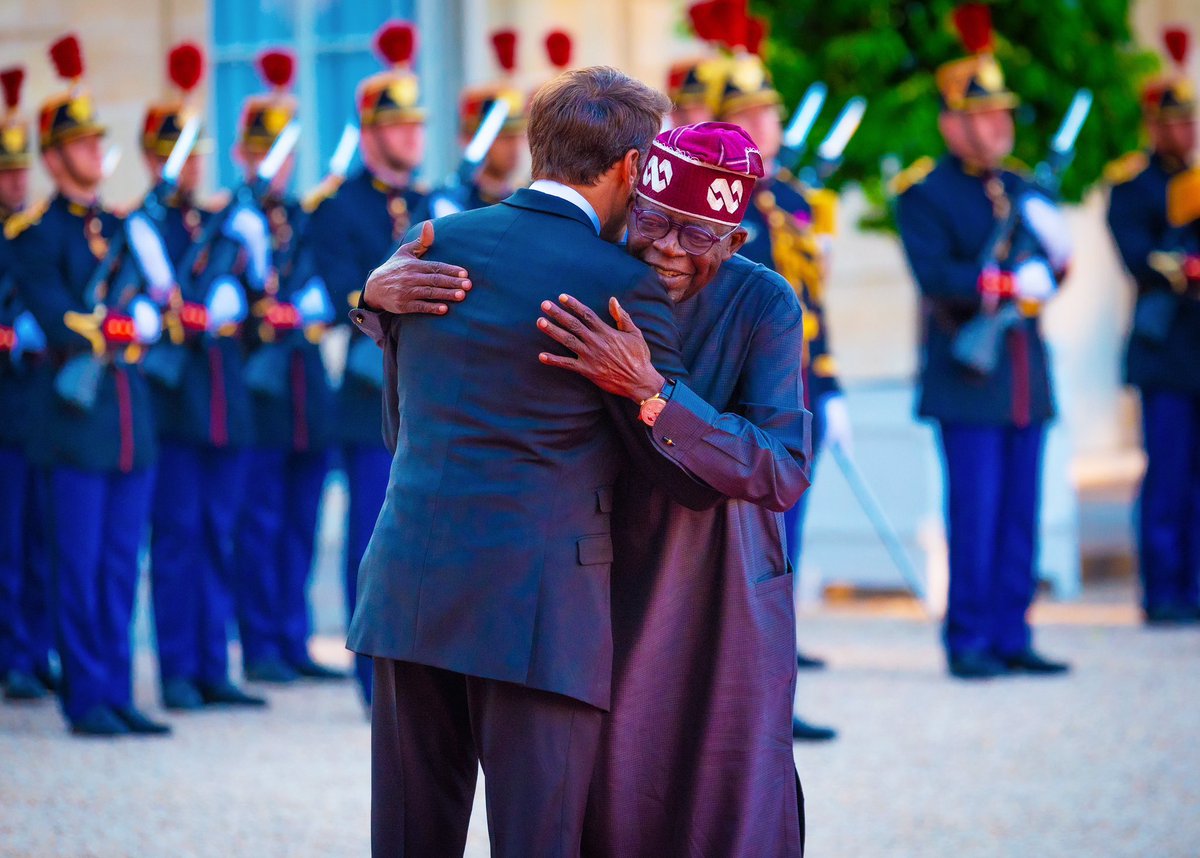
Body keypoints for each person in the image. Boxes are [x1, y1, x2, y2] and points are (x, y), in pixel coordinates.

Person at [348, 66, 686, 855]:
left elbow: (399, 425)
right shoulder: (623, 283)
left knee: (408, 838)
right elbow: (665, 465)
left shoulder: (429, 244)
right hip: (541, 606)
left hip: (411, 582)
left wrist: (364, 300)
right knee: (539, 839)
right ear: (633, 169)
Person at [537, 121, 811, 856]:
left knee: (728, 792)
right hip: (608, 573)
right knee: (615, 789)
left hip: (725, 586)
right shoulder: (590, 270)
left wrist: (655, 394)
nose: (663, 248)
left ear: (733, 239)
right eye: (653, 223)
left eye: (694, 236)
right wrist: (373, 296)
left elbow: (781, 470)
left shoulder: (766, 303)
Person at [894, 4, 1072, 679]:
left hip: (1024, 373)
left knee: (1021, 512)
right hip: (968, 374)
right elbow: (937, 276)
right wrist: (1003, 281)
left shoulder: (1023, 185)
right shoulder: (925, 193)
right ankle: (968, 638)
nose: (999, 124)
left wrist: (1056, 262)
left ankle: (1011, 632)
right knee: (976, 514)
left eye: (1002, 113)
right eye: (984, 114)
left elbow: (1051, 273)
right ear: (952, 123)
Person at [7, 34, 167, 736]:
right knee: (75, 566)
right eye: (82, 144)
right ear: (53, 156)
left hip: (129, 417)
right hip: (73, 420)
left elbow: (161, 306)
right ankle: (84, 697)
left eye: (99, 142)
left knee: (116, 566)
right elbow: (58, 316)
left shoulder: (125, 227)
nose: (97, 153)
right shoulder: (34, 234)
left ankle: (115, 691)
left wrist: (152, 311)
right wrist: (115, 323)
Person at [710, 15, 842, 740]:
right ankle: (751, 705)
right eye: (751, 113)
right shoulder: (717, 197)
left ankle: (773, 698)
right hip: (743, 403)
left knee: (783, 557)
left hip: (795, 393)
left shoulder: (787, 197)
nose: (767, 123)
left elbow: (812, 300)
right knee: (747, 562)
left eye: (768, 111)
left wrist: (835, 383)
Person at [305, 19, 430, 704]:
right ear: (371, 130)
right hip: (367, 395)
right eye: (400, 125)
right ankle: (370, 674)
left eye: (416, 124)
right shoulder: (335, 205)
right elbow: (335, 296)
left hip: (429, 397)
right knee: (371, 540)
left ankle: (418, 667)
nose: (413, 135)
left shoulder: (429, 201)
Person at [141, 43, 264, 711]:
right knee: (180, 538)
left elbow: (251, 304)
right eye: (178, 155)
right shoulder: (146, 224)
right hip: (179, 403)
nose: (189, 166)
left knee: (221, 531)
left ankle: (215, 665)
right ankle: (179, 669)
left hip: (225, 399)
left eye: (193, 154)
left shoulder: (219, 220)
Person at [231, 48, 342, 685]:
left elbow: (330, 290)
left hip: (305, 387)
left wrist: (313, 307)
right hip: (260, 390)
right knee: (260, 521)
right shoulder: (233, 218)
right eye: (266, 152)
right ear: (246, 154)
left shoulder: (302, 216)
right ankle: (261, 643)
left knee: (299, 522)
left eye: (285, 153)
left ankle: (293, 638)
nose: (278, 165)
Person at [1105, 26, 1200, 626]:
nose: (1184, 132)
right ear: (1153, 125)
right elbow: (1140, 259)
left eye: (1190, 122)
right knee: (1167, 471)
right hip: (1165, 350)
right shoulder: (1133, 185)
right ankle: (1163, 591)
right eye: (1174, 122)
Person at [0, 64, 57, 703]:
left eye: (21, 169)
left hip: (41, 410)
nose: (17, 180)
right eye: (6, 170)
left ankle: (36, 649)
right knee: (10, 545)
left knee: (42, 543)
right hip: (6, 411)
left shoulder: (31, 234)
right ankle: (14, 653)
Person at [428, 28, 528, 218]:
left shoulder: (524, 200)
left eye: (517, 135)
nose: (514, 146)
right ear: (469, 138)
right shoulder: (452, 204)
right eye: (504, 137)